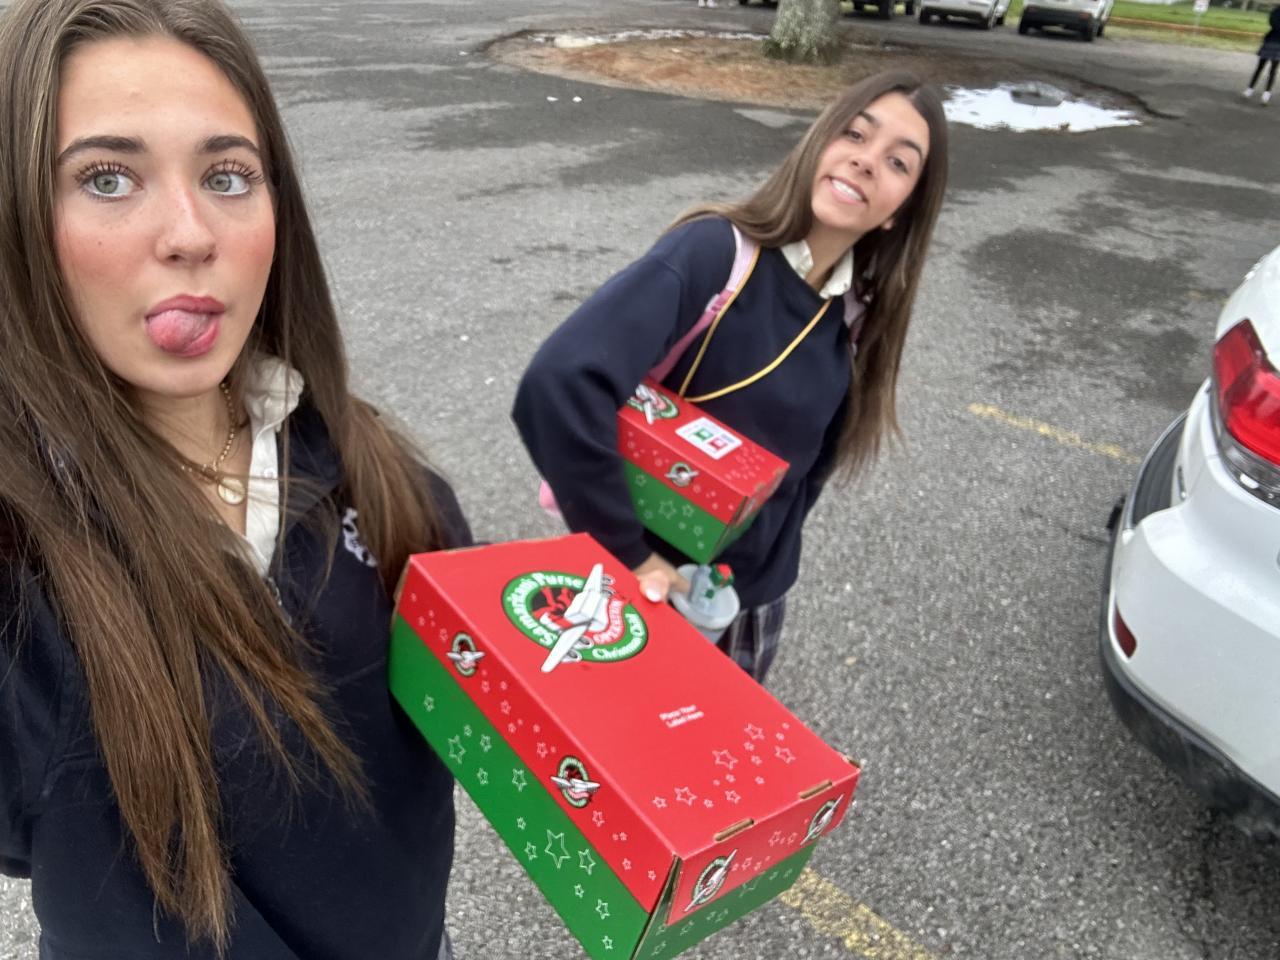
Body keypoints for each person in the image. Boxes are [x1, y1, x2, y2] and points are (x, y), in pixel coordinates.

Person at [0, 1, 466, 957]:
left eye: (226, 176)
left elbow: (482, 687)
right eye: (107, 177)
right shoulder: (18, 562)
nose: (190, 234)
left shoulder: (374, 469)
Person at [513, 71, 949, 683]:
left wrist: (760, 577)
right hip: (644, 592)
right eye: (854, 134)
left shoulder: (854, 319)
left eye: (899, 162)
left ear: (900, 213)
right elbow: (560, 384)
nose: (866, 160)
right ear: (819, 141)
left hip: (748, 609)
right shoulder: (715, 254)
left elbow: (803, 477)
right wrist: (629, 554)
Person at [1243, 7, 1280, 106]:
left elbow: (1273, 23)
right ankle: (1252, 90)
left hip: (1275, 42)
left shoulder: (1276, 11)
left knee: (1271, 69)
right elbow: (1273, 23)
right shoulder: (1276, 11)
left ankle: (1264, 93)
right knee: (1262, 68)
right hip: (1272, 41)